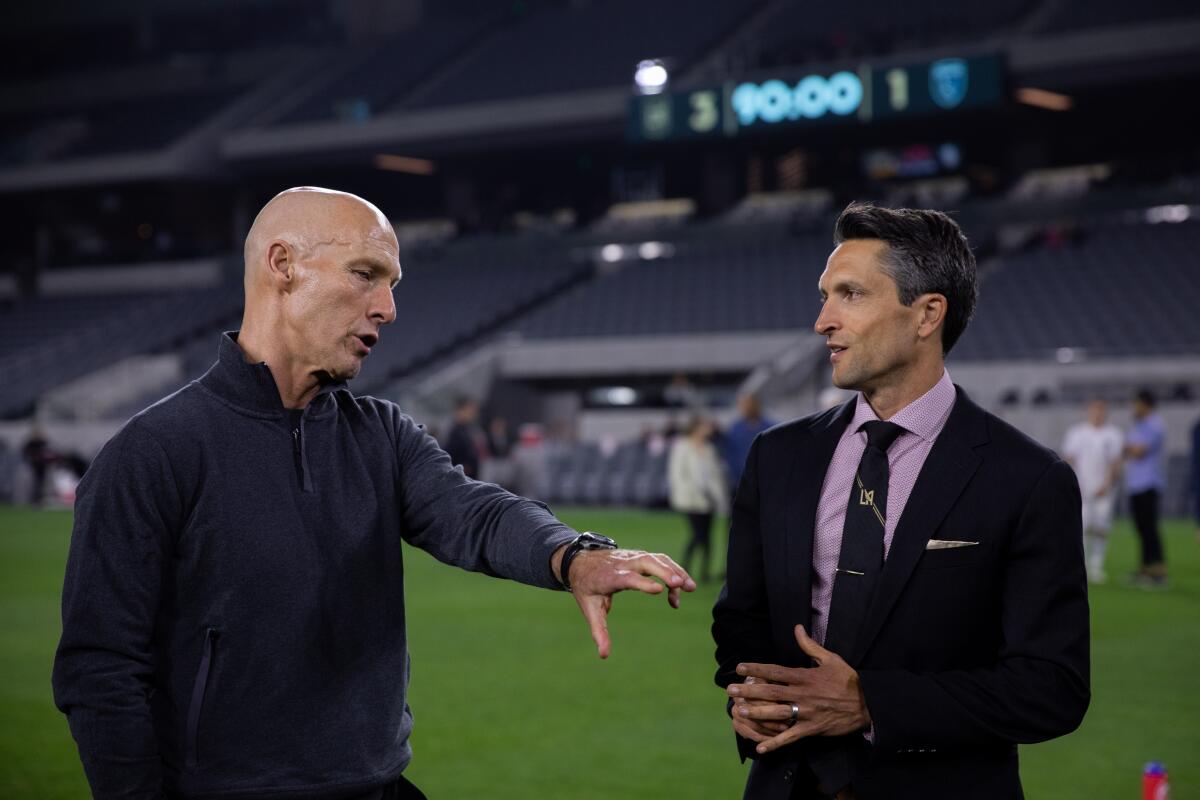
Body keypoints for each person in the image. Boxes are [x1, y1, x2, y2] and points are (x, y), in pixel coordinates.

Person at [52, 187, 696, 800]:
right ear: (283, 266)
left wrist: (575, 555)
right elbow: (101, 669)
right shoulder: (153, 452)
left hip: (379, 786)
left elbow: (474, 513)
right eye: (366, 274)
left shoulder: (381, 433)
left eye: (391, 284)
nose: (388, 308)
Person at [712, 203, 1089, 800]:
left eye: (851, 294)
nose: (822, 321)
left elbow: (1051, 687)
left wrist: (871, 704)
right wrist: (747, 693)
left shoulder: (1027, 478)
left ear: (927, 315)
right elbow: (742, 621)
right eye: (824, 295)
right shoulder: (778, 456)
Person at [1062, 399, 1123, 583]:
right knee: (1081, 526)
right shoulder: (1077, 433)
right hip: (1082, 488)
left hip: (1104, 490)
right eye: (1094, 410)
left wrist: (1107, 484)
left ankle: (1097, 565)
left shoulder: (1113, 434)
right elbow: (1069, 458)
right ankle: (1083, 565)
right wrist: (1075, 483)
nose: (1097, 414)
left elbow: (1115, 462)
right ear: (1088, 412)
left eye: (1101, 411)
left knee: (1101, 527)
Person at [668, 416, 729, 583]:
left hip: (708, 500)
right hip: (691, 500)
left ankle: (704, 572)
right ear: (696, 427)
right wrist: (692, 492)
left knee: (708, 537)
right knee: (698, 535)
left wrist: (719, 499)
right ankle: (684, 568)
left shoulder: (709, 448)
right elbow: (678, 475)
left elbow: (716, 477)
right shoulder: (682, 446)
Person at [1124, 388, 1168, 587]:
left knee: (1150, 528)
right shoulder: (1138, 425)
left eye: (1136, 403)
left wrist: (1127, 448)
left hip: (1149, 482)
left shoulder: (1155, 425)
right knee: (1141, 528)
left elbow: (1138, 451)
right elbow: (1129, 449)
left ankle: (1159, 571)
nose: (1133, 407)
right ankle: (1145, 570)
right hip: (1135, 483)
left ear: (1145, 404)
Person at [723, 393, 776, 493]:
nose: (745, 407)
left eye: (749, 404)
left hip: (768, 482)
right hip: (742, 483)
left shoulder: (772, 427)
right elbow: (730, 455)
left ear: (757, 405)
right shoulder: (734, 429)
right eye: (742, 405)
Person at [442, 396, 483, 478]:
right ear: (460, 410)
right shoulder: (453, 431)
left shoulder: (467, 430)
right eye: (470, 410)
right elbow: (448, 456)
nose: (473, 414)